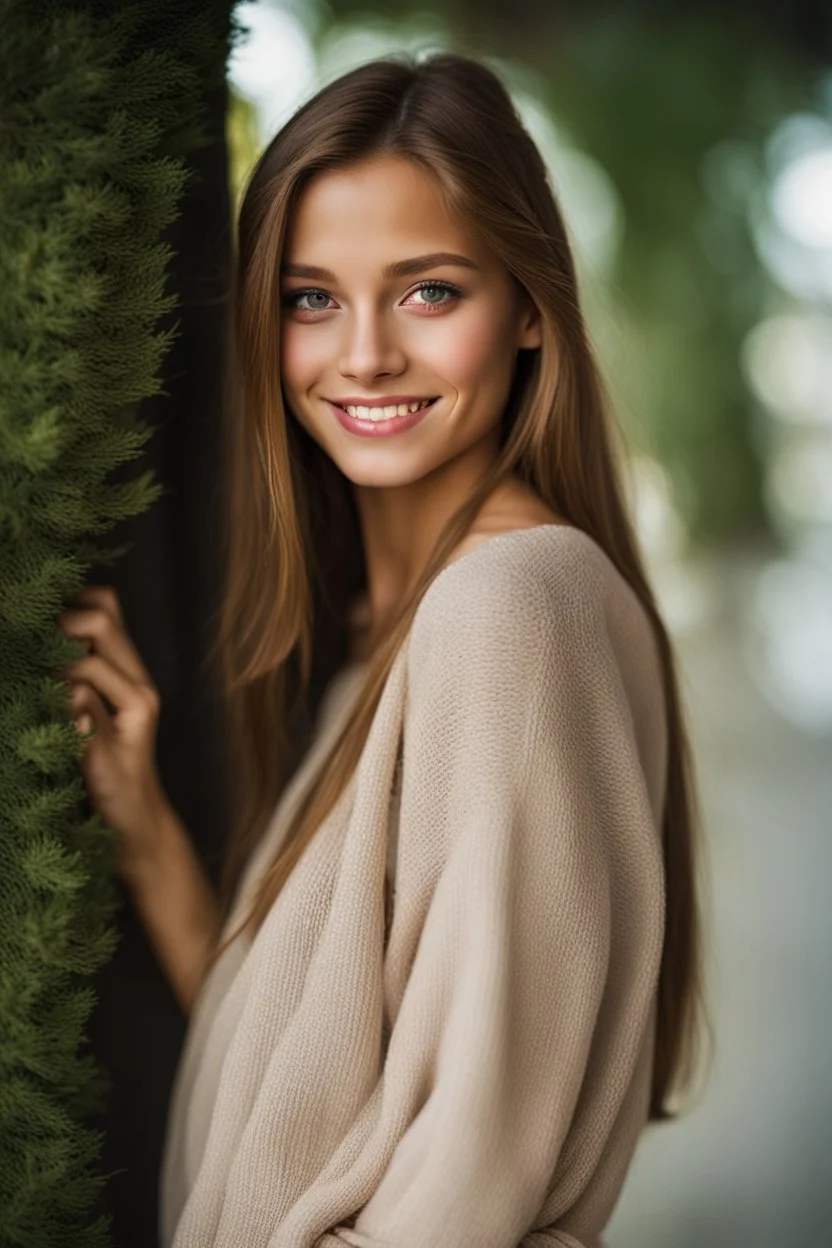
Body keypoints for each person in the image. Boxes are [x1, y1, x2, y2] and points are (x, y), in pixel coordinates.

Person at [58, 52, 708, 1248]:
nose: (362, 355)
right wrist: (148, 835)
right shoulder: (391, 628)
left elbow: (457, 1196)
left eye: (427, 292)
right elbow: (315, 1110)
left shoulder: (508, 610)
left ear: (526, 308)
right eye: (311, 297)